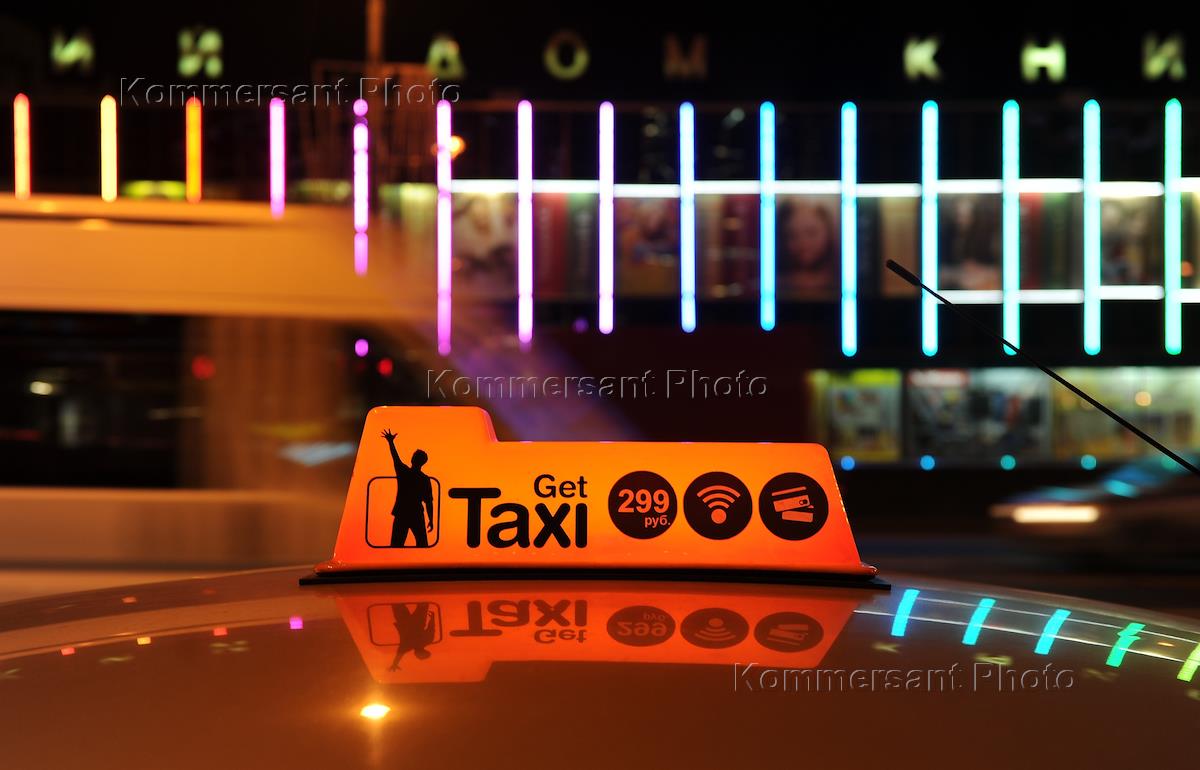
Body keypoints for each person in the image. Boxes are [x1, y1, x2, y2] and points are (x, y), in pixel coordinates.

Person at [381, 429, 435, 547]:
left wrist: (390, 442)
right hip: (414, 513)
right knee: (421, 544)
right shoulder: (424, 479)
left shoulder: (404, 472)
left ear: (413, 459)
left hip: (403, 513)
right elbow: (428, 502)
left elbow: (395, 458)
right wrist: (431, 519)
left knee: (397, 544)